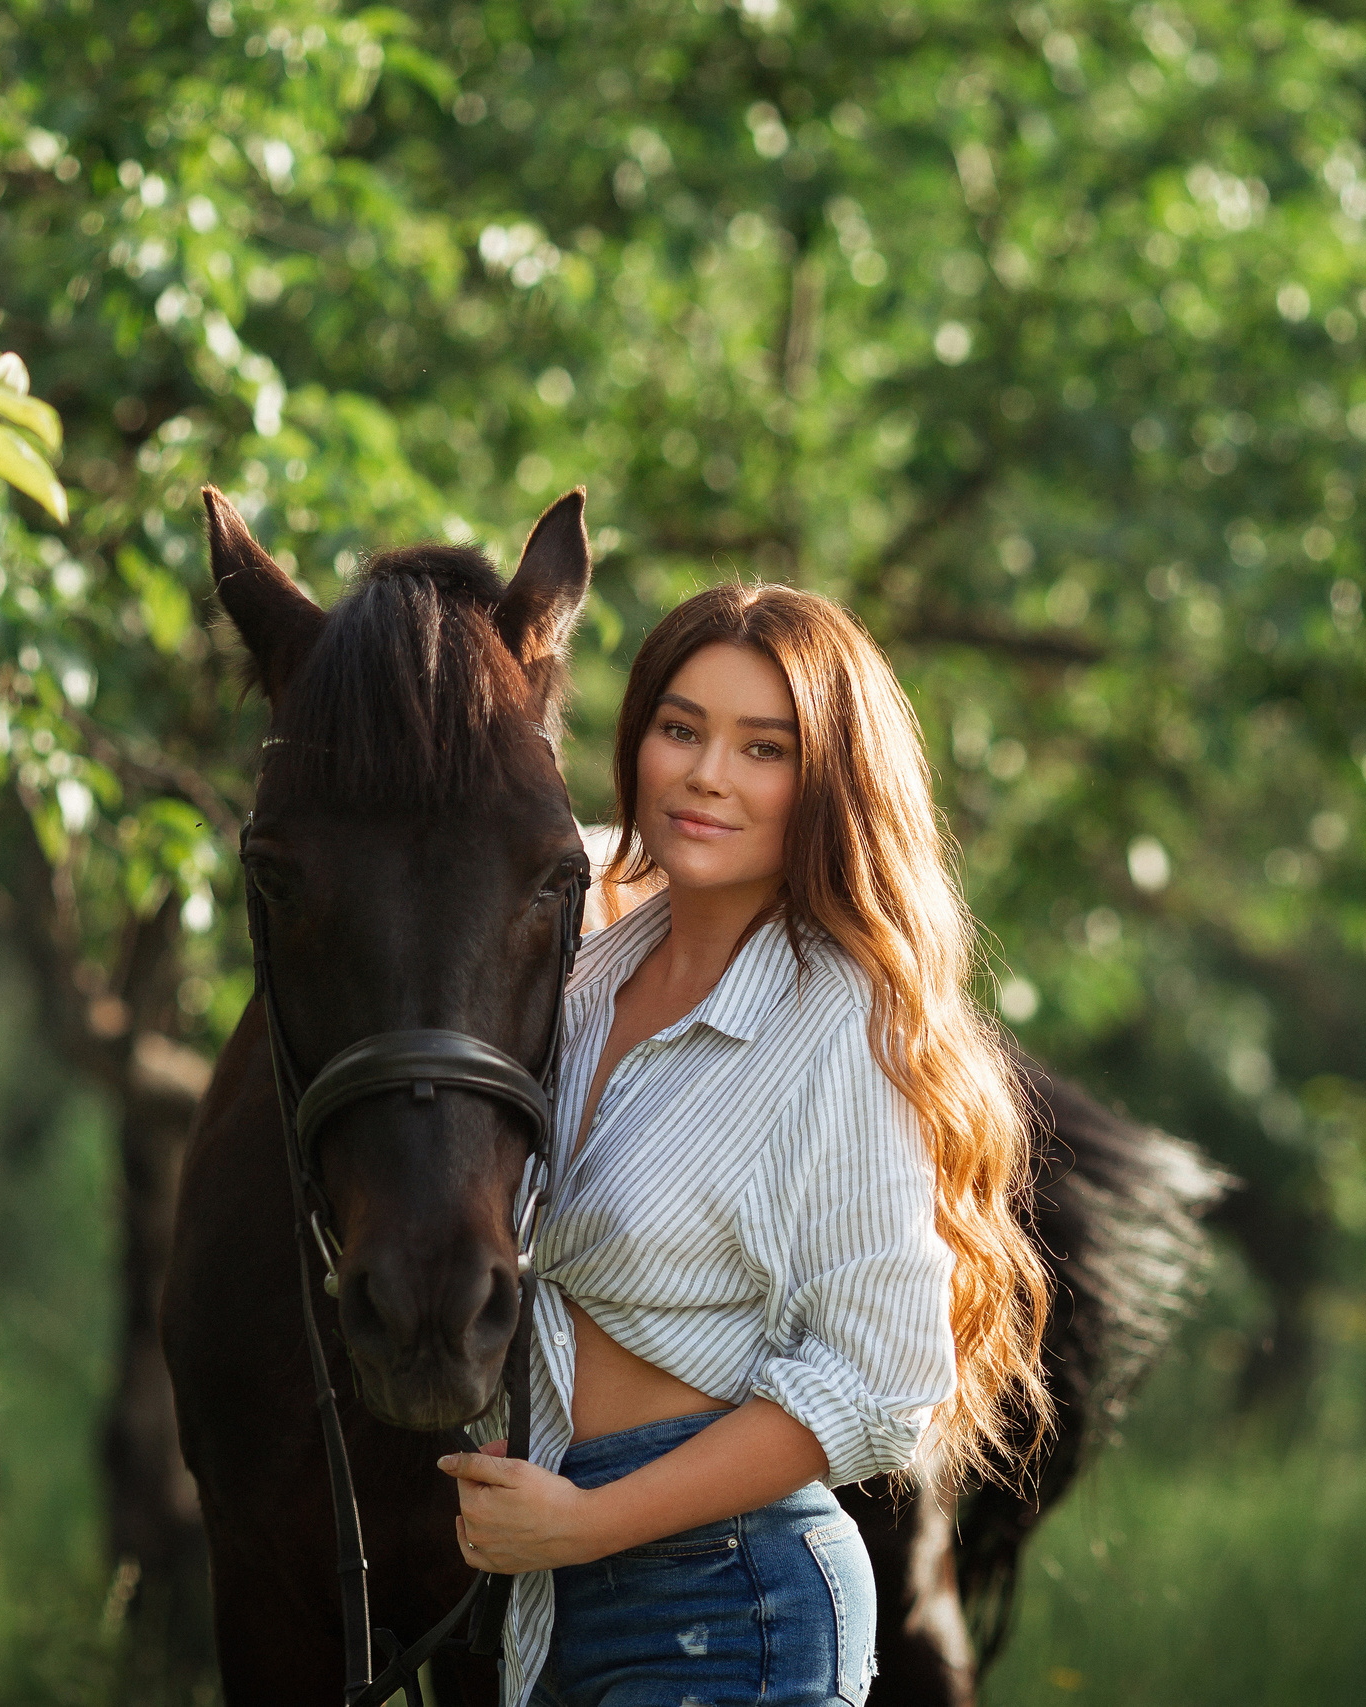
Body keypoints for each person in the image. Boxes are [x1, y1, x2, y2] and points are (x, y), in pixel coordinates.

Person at [437, 584, 1052, 1707]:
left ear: (827, 781)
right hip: (543, 1592)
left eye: (763, 748)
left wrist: (587, 1522)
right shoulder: (586, 973)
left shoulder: (844, 1019)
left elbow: (880, 1380)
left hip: (728, 1605)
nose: (706, 775)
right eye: (681, 729)